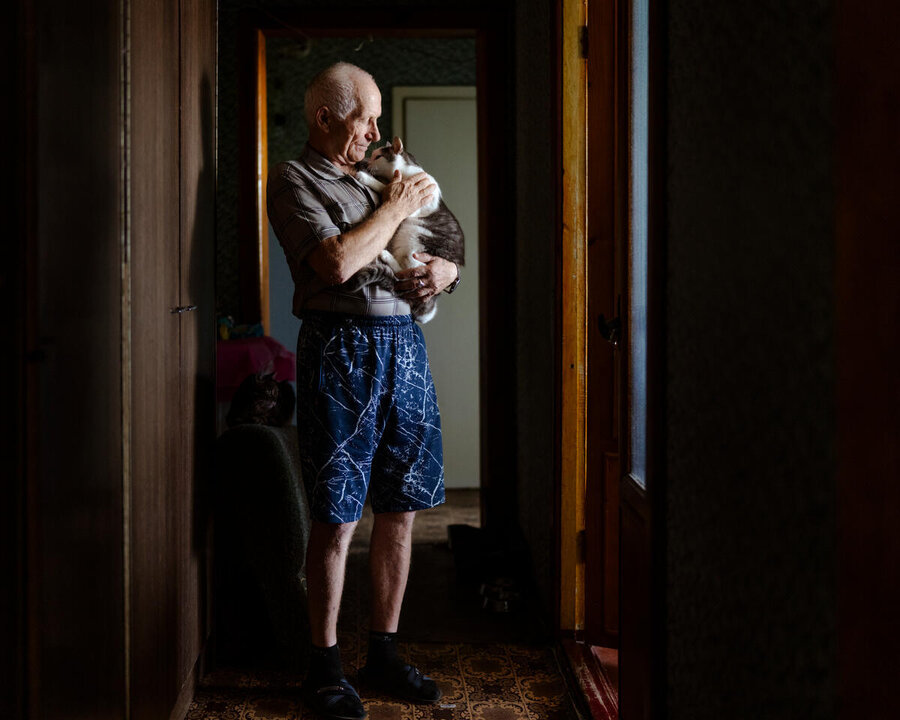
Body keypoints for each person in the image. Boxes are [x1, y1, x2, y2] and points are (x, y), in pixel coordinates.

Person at [266, 62, 460, 720]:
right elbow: (338, 263)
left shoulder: (376, 170)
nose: (378, 131)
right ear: (325, 118)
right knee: (337, 517)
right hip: (339, 349)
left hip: (406, 345)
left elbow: (443, 236)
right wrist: (395, 208)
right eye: (365, 117)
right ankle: (322, 667)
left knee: (402, 510)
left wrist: (443, 270)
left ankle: (383, 652)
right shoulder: (293, 180)